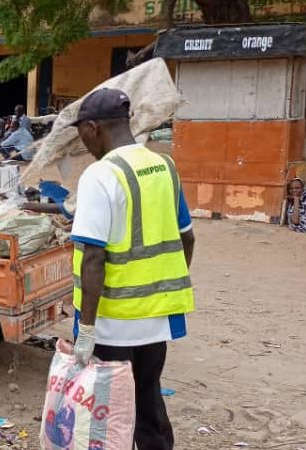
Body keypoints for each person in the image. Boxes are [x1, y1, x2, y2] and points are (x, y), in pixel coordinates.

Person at [70, 88, 195, 450]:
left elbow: (93, 258)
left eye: (81, 134)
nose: (84, 143)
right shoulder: (165, 166)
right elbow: (187, 237)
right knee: (148, 401)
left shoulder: (100, 175)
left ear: (93, 128)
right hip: (156, 320)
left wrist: (86, 329)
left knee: (108, 417)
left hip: (113, 324)